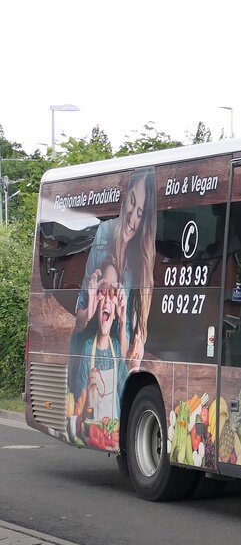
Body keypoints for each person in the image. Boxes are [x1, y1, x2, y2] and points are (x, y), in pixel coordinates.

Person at [73, 168, 157, 368]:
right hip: (93, 350)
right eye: (132, 201)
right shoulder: (105, 232)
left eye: (140, 213)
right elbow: (80, 318)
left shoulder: (143, 259)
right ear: (125, 196)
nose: (131, 217)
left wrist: (135, 359)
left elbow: (138, 336)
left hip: (120, 360)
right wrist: (91, 307)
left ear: (144, 220)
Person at [72, 261, 129, 432]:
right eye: (102, 292)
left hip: (114, 429)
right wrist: (88, 397)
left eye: (111, 294)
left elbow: (125, 390)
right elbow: (78, 402)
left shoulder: (117, 348)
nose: (106, 301)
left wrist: (123, 318)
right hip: (93, 428)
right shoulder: (88, 348)